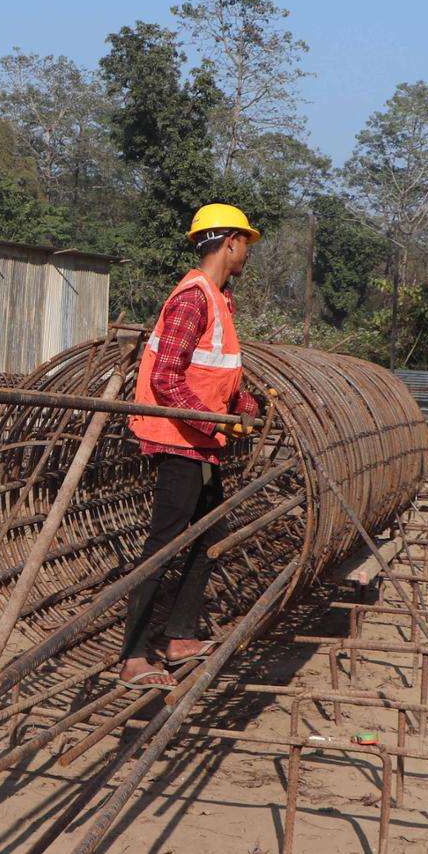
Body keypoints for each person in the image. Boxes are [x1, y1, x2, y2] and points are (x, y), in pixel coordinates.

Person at [115, 203, 264, 690]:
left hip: (200, 440)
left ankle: (179, 635)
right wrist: (213, 423)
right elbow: (166, 377)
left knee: (209, 532)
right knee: (164, 543)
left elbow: (215, 374)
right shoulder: (193, 298)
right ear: (230, 243)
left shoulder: (219, 299)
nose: (246, 253)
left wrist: (243, 405)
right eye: (245, 243)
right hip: (179, 439)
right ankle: (134, 656)